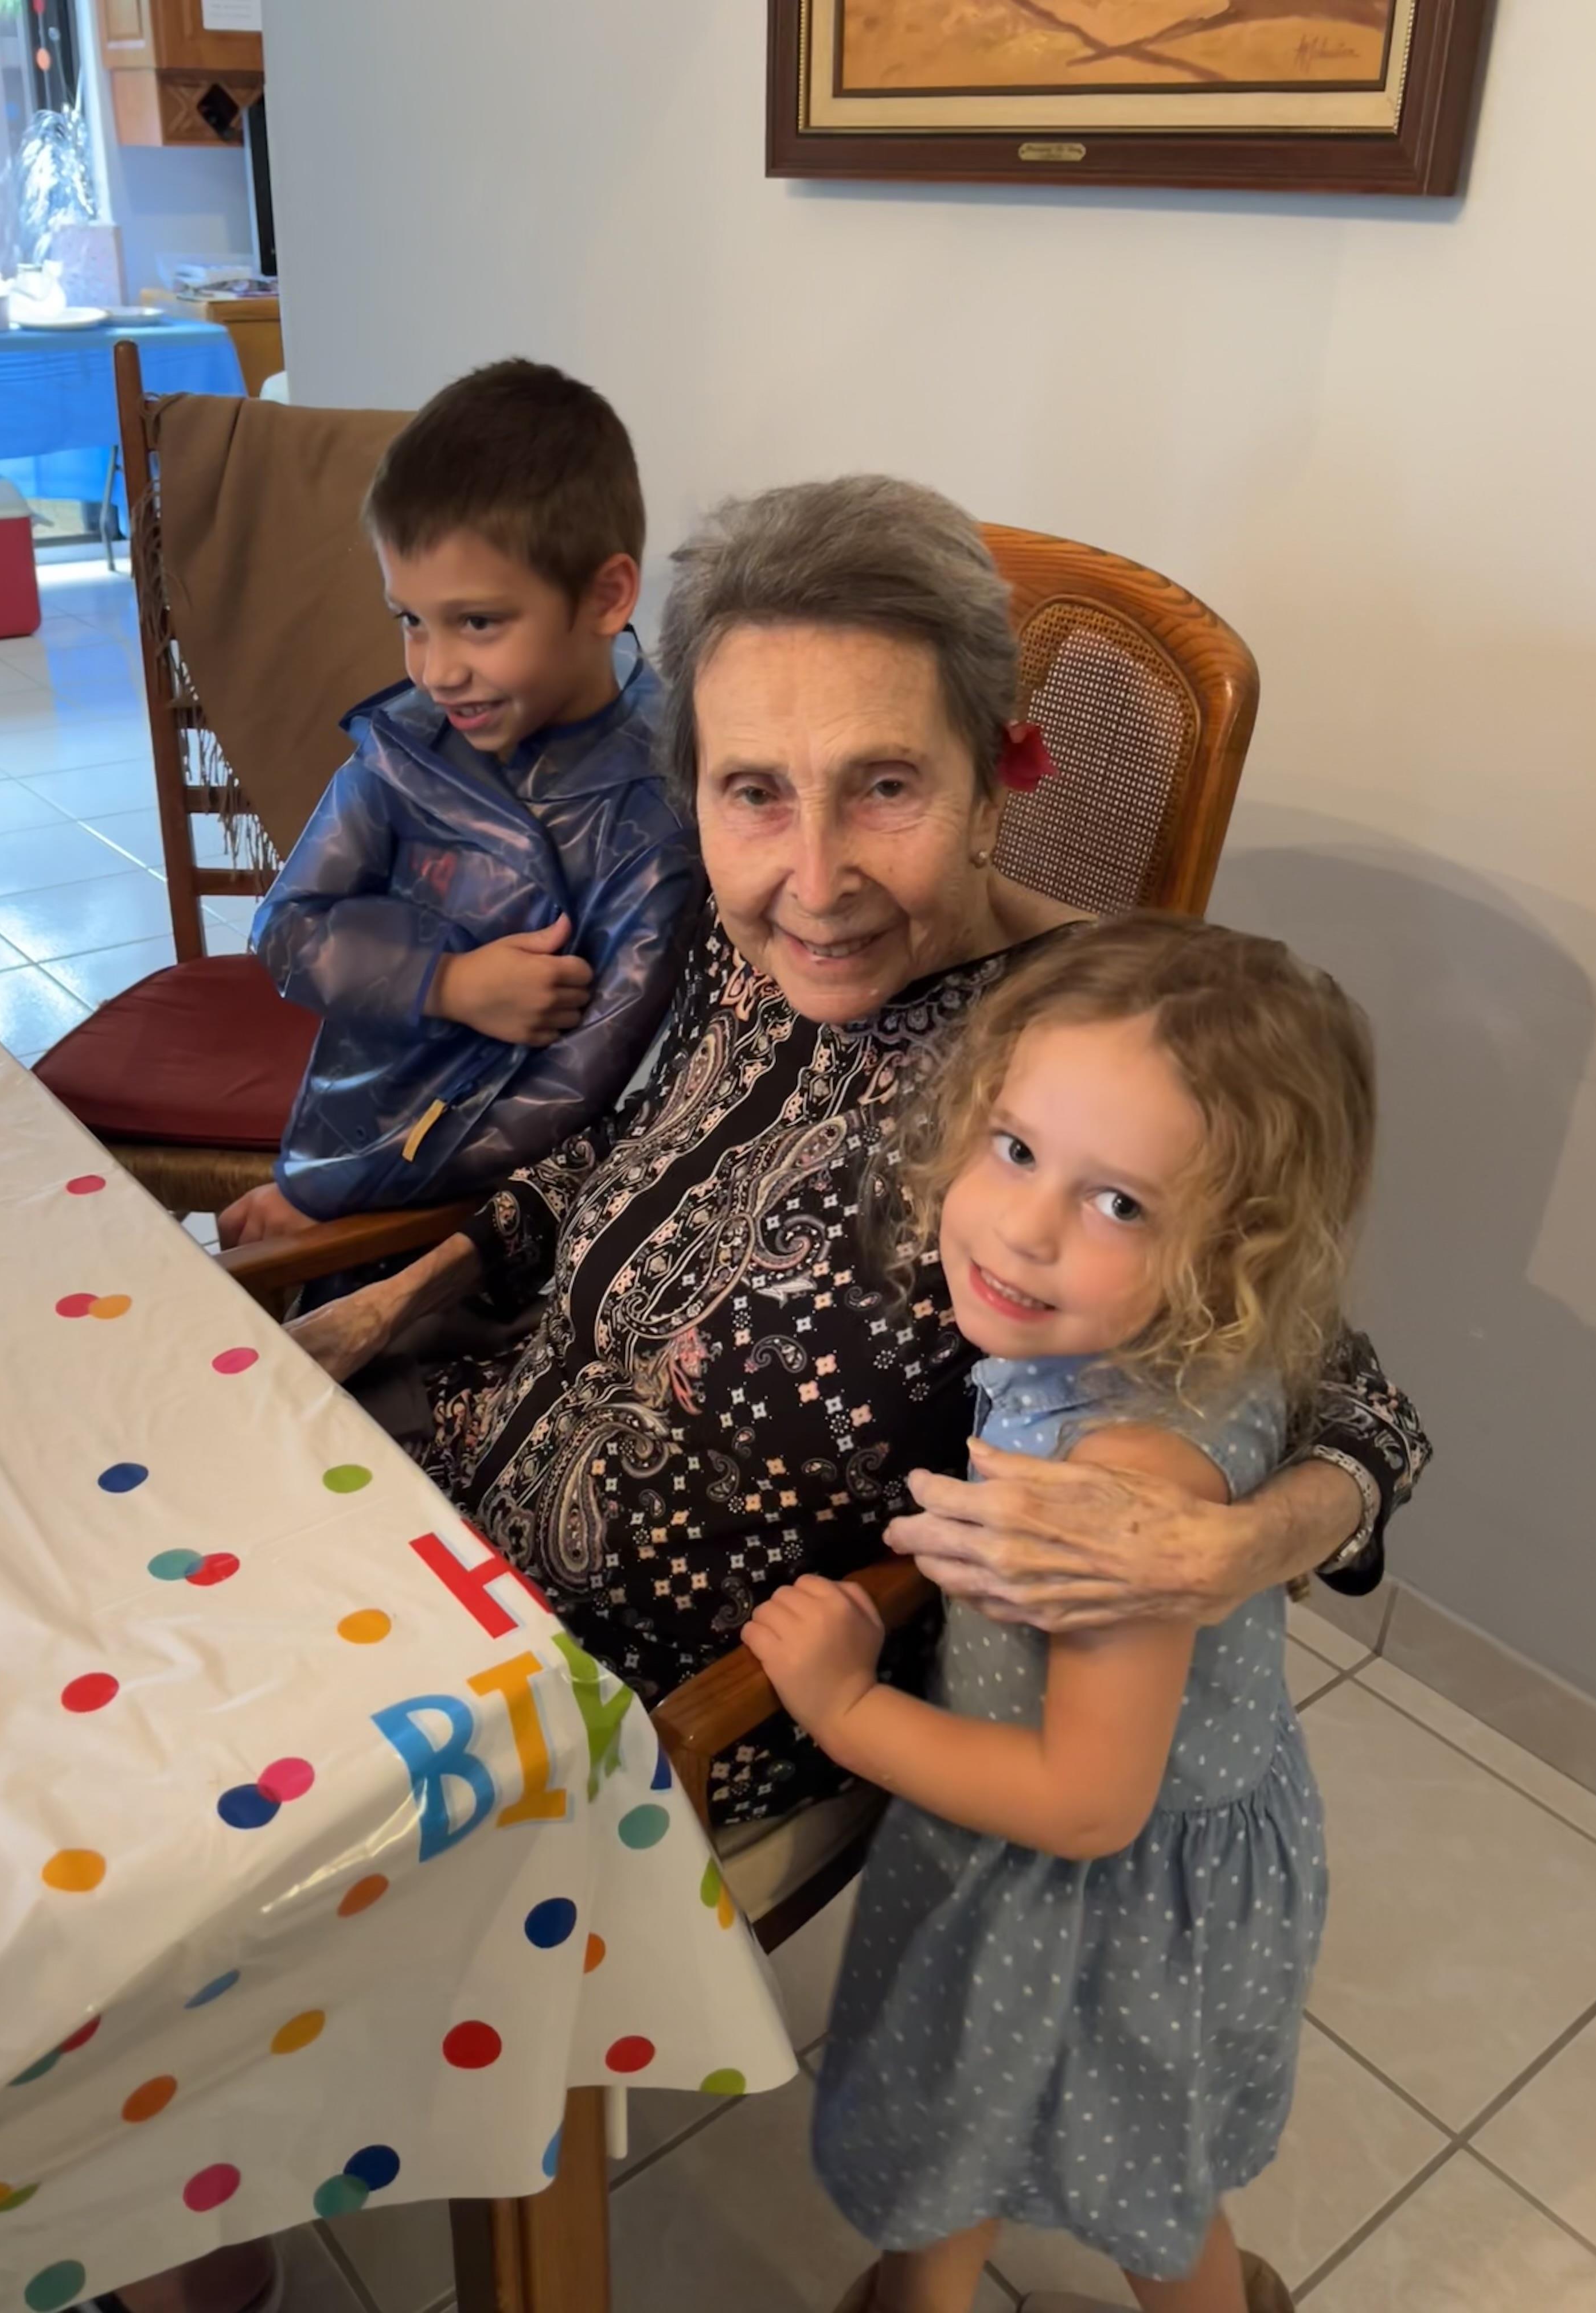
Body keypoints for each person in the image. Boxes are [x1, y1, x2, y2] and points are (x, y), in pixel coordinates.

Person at [285, 475, 1429, 1841]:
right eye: (754, 793)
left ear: (1003, 771)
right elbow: (633, 1146)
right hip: (454, 1494)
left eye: (885, 786)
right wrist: (387, 1301)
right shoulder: (751, 926)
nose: (815, 883)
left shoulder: (1081, 1059)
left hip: (669, 1706)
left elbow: (1354, 1401)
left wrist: (1233, 1549)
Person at [745, 915, 1372, 2313]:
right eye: (1017, 1149)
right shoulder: (1136, 1344)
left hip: (1100, 1897)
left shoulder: (1123, 1473)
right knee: (1024, 2138)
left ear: (1233, 1250)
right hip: (1068, 1861)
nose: (1024, 1228)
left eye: (1121, 1203)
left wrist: (847, 1709)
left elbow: (1089, 1803)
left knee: (1128, 2175)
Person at [218, 358, 701, 1241]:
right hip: (350, 1143)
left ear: (606, 596)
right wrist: (446, 982)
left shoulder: (659, 803)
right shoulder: (405, 747)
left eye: (478, 622)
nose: (436, 670)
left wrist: (334, 1205)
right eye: (411, 620)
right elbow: (286, 929)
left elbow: (575, 1092)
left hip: (503, 1229)